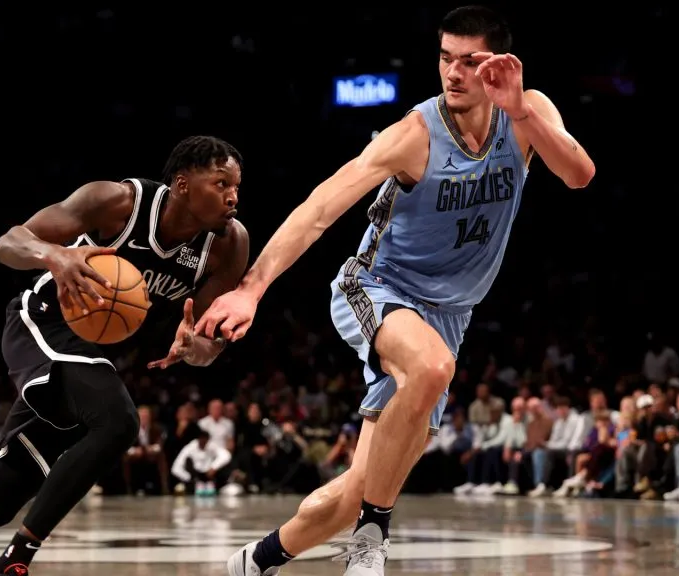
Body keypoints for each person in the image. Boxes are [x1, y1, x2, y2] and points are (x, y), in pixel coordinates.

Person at [198, 6, 595, 575]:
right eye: (445, 59)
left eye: (470, 62)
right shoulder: (414, 134)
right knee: (432, 371)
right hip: (378, 288)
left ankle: (250, 563)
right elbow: (320, 208)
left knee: (359, 484)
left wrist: (521, 110)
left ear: (500, 64)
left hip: (449, 315)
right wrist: (252, 289)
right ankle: (374, 536)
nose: (454, 74)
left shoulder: (530, 114)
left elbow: (579, 175)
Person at [0, 135, 250, 576]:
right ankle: (17, 558)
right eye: (220, 183)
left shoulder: (228, 246)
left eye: (236, 186)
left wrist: (196, 347)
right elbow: (9, 242)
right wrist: (54, 257)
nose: (233, 197)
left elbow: (209, 347)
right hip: (39, 323)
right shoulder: (118, 202)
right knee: (120, 421)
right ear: (181, 185)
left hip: (87, 356)